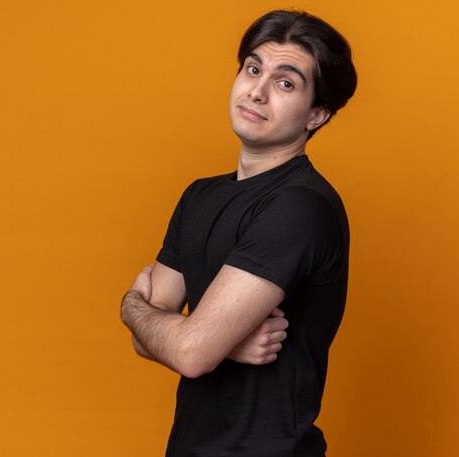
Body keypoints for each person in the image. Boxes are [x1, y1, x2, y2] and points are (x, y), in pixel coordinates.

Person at [120, 9, 357, 457]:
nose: (257, 91)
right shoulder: (199, 196)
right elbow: (151, 341)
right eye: (252, 69)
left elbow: (187, 353)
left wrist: (133, 307)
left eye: (285, 83)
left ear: (316, 115)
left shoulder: (300, 207)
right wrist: (213, 340)